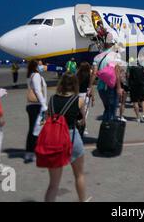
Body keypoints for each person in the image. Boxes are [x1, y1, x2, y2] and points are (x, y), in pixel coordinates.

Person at [44, 73, 86, 202]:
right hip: (72, 137)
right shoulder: (78, 100)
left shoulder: (51, 99)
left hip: (55, 140)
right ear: (75, 84)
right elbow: (82, 120)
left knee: (53, 184)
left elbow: (48, 118)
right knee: (79, 175)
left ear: (61, 84)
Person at [89, 34, 123, 122]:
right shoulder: (116, 56)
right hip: (112, 87)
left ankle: (105, 127)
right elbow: (117, 73)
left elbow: (94, 74)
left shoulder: (97, 57)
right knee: (112, 110)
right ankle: (109, 131)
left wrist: (89, 87)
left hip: (100, 87)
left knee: (107, 108)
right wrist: (119, 87)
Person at [25, 60, 48, 163]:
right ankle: (35, 152)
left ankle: (30, 152)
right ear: (36, 66)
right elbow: (38, 91)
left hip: (32, 105)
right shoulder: (36, 76)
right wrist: (44, 105)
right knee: (37, 129)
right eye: (40, 64)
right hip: (37, 106)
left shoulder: (31, 75)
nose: (42, 66)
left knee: (33, 129)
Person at [77, 62, 94, 136]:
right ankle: (84, 128)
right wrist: (93, 98)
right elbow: (90, 87)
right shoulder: (89, 75)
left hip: (77, 95)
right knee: (85, 113)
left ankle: (78, 126)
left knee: (78, 112)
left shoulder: (77, 75)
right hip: (85, 95)